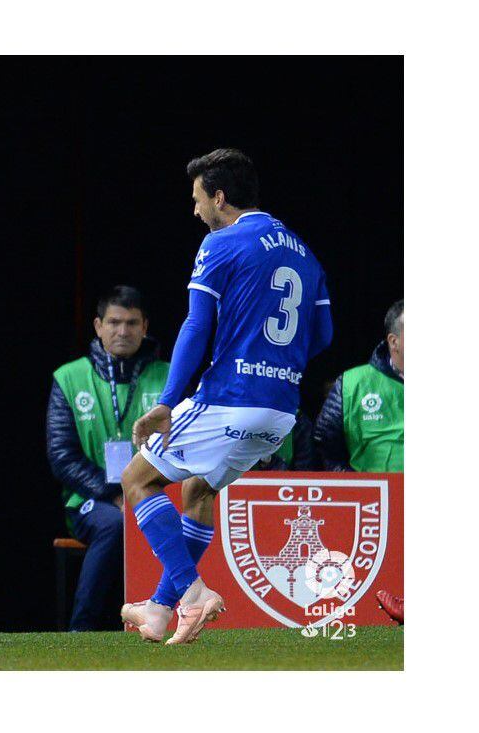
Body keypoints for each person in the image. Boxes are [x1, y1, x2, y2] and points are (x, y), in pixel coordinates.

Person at [120, 149, 333, 644]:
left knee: (136, 479)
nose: (195, 211)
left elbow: (197, 323)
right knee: (198, 492)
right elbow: (322, 334)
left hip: (231, 395)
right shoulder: (304, 251)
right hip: (280, 410)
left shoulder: (221, 242)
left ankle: (192, 594)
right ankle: (158, 609)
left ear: (220, 197)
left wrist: (168, 401)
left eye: (198, 199)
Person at [47, 286, 169, 631]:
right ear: (98, 326)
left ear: (145, 327)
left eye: (132, 323)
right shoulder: (69, 378)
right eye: (114, 322)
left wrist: (141, 493)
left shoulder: (170, 376)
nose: (123, 331)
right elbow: (61, 456)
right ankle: (80, 630)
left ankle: (175, 622)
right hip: (90, 501)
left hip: (157, 495)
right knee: (115, 523)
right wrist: (114, 494)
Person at [315, 300, 403, 623]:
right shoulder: (353, 383)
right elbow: (325, 440)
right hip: (376, 512)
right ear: (394, 341)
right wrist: (351, 484)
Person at [314, 300, 403, 472]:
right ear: (394, 342)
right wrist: (354, 486)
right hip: (377, 496)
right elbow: (325, 447)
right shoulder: (352, 383)